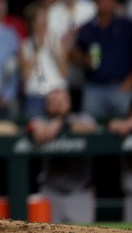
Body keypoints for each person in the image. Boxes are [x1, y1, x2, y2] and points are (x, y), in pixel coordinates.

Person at [28, 87, 97, 224]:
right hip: (51, 193)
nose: (58, 105)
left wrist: (61, 123)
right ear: (46, 106)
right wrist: (43, 128)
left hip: (79, 193)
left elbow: (89, 129)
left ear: (70, 102)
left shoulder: (82, 118)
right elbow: (34, 128)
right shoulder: (40, 120)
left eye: (62, 101)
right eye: (53, 101)